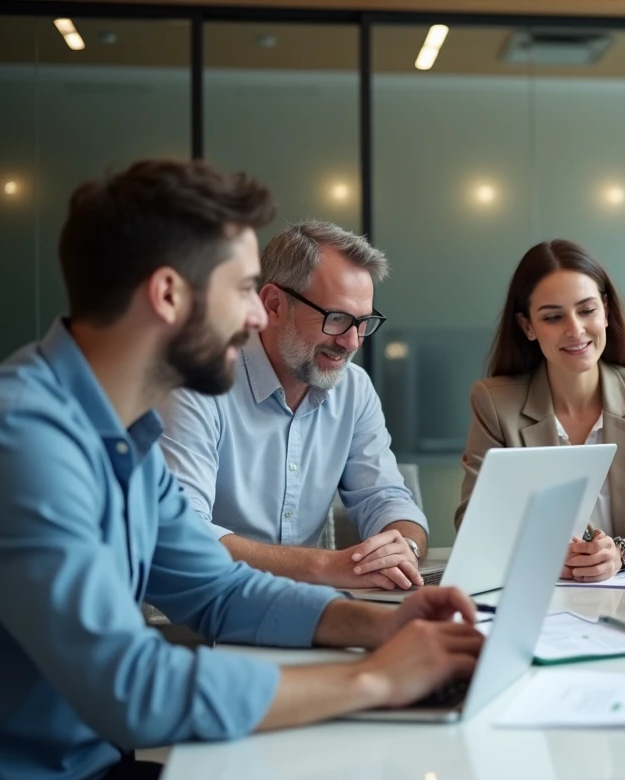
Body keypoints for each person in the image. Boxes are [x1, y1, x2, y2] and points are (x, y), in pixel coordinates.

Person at [0, 160, 483, 780]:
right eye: (246, 288)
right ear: (169, 294)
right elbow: (132, 687)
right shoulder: (21, 437)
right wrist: (376, 680)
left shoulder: (124, 433)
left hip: (94, 768)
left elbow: (219, 591)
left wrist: (382, 627)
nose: (258, 315)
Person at [160, 221, 428, 592]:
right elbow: (183, 531)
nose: (352, 342)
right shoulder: (196, 385)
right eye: (336, 319)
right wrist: (324, 566)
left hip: (308, 609)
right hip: (204, 612)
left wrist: (403, 547)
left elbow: (385, 497)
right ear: (273, 304)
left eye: (363, 322)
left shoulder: (354, 388)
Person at [457, 239, 625, 580]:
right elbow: (475, 521)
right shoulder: (494, 402)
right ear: (527, 327)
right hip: (542, 594)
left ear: (606, 312)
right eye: (553, 316)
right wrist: (547, 553)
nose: (575, 329)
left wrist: (623, 553)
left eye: (587, 310)